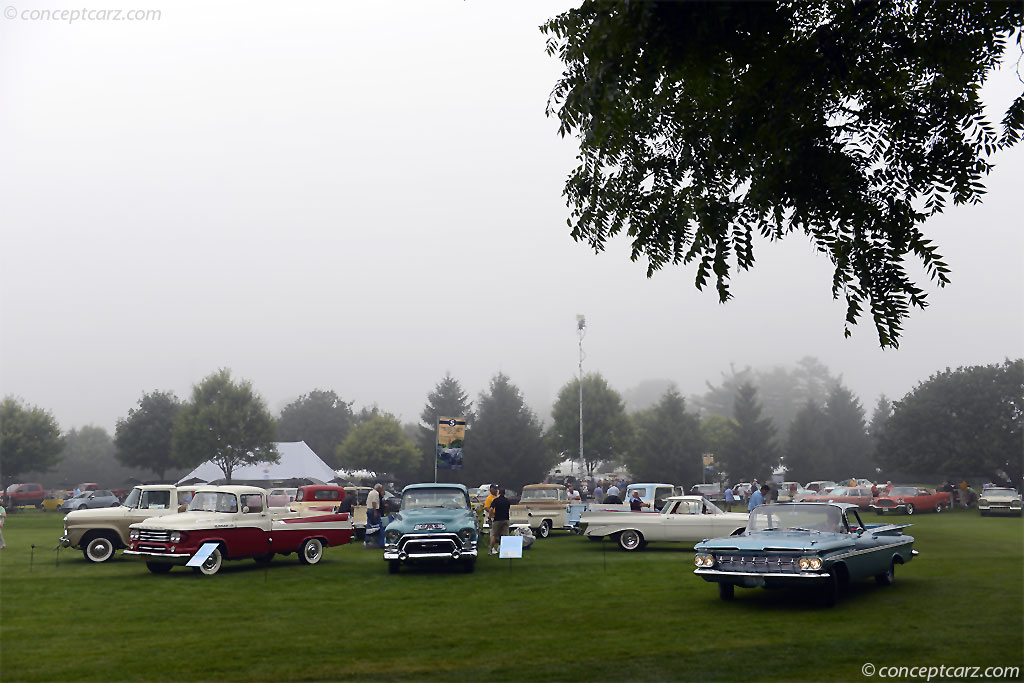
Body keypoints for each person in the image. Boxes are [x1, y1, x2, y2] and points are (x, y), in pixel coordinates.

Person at [489, 487, 511, 555]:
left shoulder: (496, 500)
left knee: (494, 535)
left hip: (497, 519)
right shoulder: (507, 501)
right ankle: (504, 550)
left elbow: (491, 509)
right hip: (505, 519)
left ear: (499, 492)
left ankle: (491, 550)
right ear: (504, 493)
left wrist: (491, 515)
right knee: (504, 535)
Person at [364, 484, 381, 548]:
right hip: (373, 510)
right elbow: (374, 502)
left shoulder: (370, 492)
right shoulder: (376, 493)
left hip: (368, 509)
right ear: (378, 488)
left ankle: (367, 540)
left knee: (369, 525)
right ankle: (376, 540)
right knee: (377, 526)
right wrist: (375, 511)